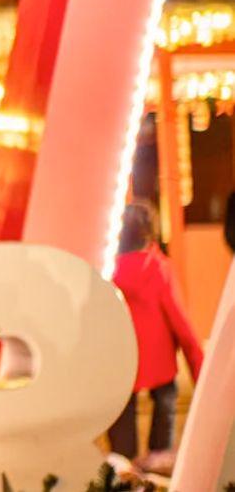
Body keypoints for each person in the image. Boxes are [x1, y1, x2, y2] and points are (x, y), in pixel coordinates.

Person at [107, 201, 203, 476]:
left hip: (121, 364)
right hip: (159, 364)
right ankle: (155, 468)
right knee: (165, 407)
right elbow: (181, 323)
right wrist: (199, 371)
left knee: (122, 424)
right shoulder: (158, 268)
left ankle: (122, 467)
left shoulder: (107, 272)